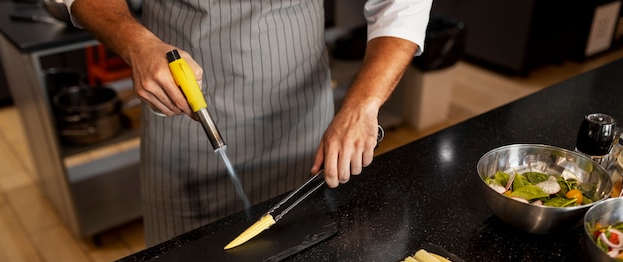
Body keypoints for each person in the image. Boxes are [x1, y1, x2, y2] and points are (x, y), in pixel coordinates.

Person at [65, 0, 433, 246]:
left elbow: (401, 4)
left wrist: (363, 105)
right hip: (183, 117)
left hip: (303, 121)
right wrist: (134, 43)